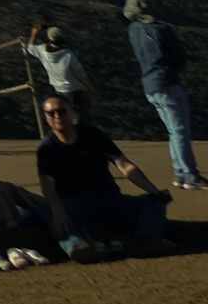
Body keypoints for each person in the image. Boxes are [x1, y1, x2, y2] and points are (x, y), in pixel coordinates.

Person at [35, 92, 175, 261]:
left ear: (71, 112)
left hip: (108, 199)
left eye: (62, 111)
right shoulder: (46, 149)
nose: (57, 116)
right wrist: (57, 210)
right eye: (51, 113)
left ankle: (145, 241)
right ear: (45, 116)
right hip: (74, 204)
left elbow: (124, 165)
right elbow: (47, 185)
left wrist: (154, 191)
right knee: (47, 209)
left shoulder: (94, 136)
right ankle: (77, 247)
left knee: (153, 201)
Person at [124, 0, 200, 190]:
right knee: (180, 131)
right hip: (167, 83)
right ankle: (189, 175)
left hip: (150, 85)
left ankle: (181, 174)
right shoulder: (163, 29)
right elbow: (181, 56)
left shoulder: (133, 29)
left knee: (173, 131)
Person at [23, 23, 101, 137]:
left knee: (67, 117)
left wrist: (34, 33)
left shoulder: (42, 52)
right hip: (76, 90)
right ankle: (83, 139)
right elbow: (81, 75)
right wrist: (92, 89)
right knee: (82, 117)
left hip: (59, 90)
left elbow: (30, 47)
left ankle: (70, 138)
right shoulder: (68, 55)